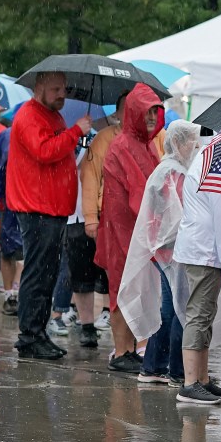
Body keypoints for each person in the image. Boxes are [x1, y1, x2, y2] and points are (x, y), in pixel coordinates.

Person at [7, 71, 91, 359]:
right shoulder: (30, 115)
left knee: (46, 273)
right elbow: (44, 151)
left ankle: (37, 332)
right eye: (55, 89)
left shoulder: (52, 115)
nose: (61, 94)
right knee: (38, 274)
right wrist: (76, 132)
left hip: (51, 208)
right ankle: (30, 336)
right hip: (37, 208)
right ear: (38, 87)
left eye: (63, 89)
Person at [119, 120, 201, 385]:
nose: (195, 145)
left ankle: (153, 366)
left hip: (165, 249)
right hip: (173, 250)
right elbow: (178, 216)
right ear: (176, 142)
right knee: (180, 309)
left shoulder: (165, 169)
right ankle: (177, 370)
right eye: (190, 140)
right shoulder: (174, 172)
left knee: (170, 309)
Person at [94, 83, 164, 373]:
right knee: (121, 291)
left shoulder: (144, 145)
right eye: (147, 112)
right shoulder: (124, 146)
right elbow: (141, 192)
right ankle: (122, 350)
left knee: (133, 289)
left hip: (135, 231)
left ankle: (130, 348)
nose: (151, 118)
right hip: (122, 231)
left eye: (155, 112)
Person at [171, 137, 221, 405]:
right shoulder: (217, 163)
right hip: (204, 251)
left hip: (200, 248)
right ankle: (190, 383)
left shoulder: (206, 156)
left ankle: (202, 379)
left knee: (204, 314)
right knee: (198, 314)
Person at [79, 92, 129, 333]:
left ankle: (137, 340)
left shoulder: (157, 138)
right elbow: (90, 178)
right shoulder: (104, 139)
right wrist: (91, 218)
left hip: (142, 223)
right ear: (117, 114)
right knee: (115, 280)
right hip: (110, 220)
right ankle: (121, 341)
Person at [0, 121, 22, 316]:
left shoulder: (7, 134)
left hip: (13, 200)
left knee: (11, 249)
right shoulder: (10, 135)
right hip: (15, 200)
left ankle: (12, 293)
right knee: (14, 250)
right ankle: (13, 293)